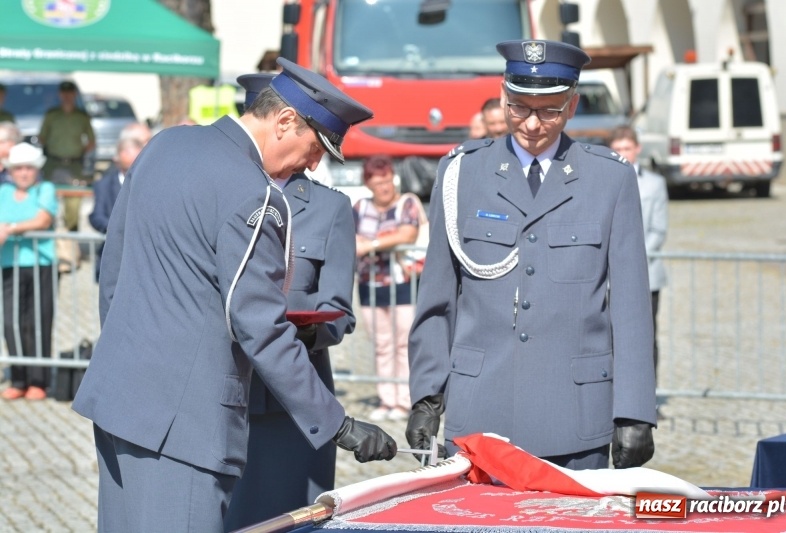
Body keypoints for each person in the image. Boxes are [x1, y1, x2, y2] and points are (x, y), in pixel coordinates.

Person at [71, 58, 397, 532]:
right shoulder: (254, 194)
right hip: (184, 422)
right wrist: (338, 424)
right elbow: (260, 327)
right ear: (285, 120)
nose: (312, 164)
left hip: (121, 400)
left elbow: (114, 270)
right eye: (314, 148)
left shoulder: (166, 144)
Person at [405, 39, 656, 471]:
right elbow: (437, 299)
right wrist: (427, 396)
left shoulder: (609, 178)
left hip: (575, 415)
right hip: (480, 413)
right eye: (519, 107)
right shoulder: (461, 173)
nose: (533, 124)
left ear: (573, 106)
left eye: (550, 110)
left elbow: (631, 307)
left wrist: (634, 411)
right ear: (503, 98)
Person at [224, 73, 359, 531]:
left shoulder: (330, 208)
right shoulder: (219, 195)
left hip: (293, 408)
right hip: (225, 396)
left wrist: (307, 328)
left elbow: (340, 312)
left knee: (296, 521)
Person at [353, 155, 424, 422]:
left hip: (402, 282)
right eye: (377, 182)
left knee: (404, 344)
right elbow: (351, 237)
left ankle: (405, 400)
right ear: (368, 184)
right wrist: (384, 241)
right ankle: (387, 399)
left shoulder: (407, 203)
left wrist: (371, 244)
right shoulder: (360, 207)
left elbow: (407, 235)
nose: (384, 187)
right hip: (369, 284)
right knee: (381, 344)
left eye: (387, 180)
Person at [607, 125, 668, 383]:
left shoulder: (655, 184)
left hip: (646, 273)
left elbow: (658, 229)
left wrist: (632, 260)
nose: (623, 153)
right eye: (618, 149)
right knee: (609, 337)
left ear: (637, 149)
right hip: (608, 275)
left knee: (645, 337)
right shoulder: (603, 181)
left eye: (627, 148)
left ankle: (647, 397)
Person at [0, 143, 58, 401]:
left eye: (28, 168)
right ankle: (19, 377)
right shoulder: (3, 192)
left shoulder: (45, 189)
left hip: (40, 263)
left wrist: (11, 228)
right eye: (19, 168)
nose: (23, 173)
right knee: (12, 322)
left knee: (38, 321)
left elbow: (43, 219)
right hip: (9, 263)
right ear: (11, 170)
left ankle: (38, 380)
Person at [38, 80, 95, 232]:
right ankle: (47, 234)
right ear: (60, 94)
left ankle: (72, 239)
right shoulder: (52, 115)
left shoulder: (81, 116)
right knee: (47, 197)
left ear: (75, 94)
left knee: (74, 203)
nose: (67, 96)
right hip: (53, 162)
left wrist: (80, 151)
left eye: (70, 93)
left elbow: (91, 141)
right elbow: (41, 138)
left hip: (74, 164)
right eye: (64, 93)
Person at [88, 137, 145, 281]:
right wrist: (120, 228)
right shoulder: (103, 184)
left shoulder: (153, 184)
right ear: (117, 159)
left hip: (143, 260)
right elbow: (96, 216)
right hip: (113, 258)